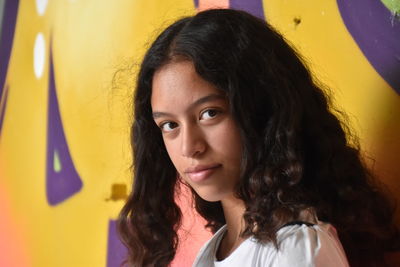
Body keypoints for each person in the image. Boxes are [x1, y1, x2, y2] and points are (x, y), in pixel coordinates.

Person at [118, 9, 399, 267]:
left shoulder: (295, 251)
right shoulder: (217, 250)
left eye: (210, 113)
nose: (189, 147)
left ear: (263, 110)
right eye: (169, 125)